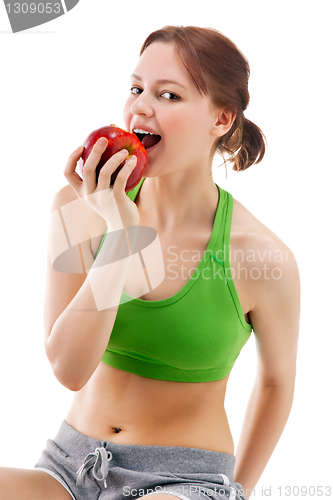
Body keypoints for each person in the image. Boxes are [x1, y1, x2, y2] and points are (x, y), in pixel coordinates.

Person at [0, 25, 300, 500]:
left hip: (182, 482)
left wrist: (237, 491)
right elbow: (69, 368)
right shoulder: (76, 207)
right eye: (137, 88)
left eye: (168, 95)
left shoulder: (259, 254)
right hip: (69, 467)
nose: (140, 106)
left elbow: (276, 383)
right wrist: (119, 237)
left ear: (221, 119)